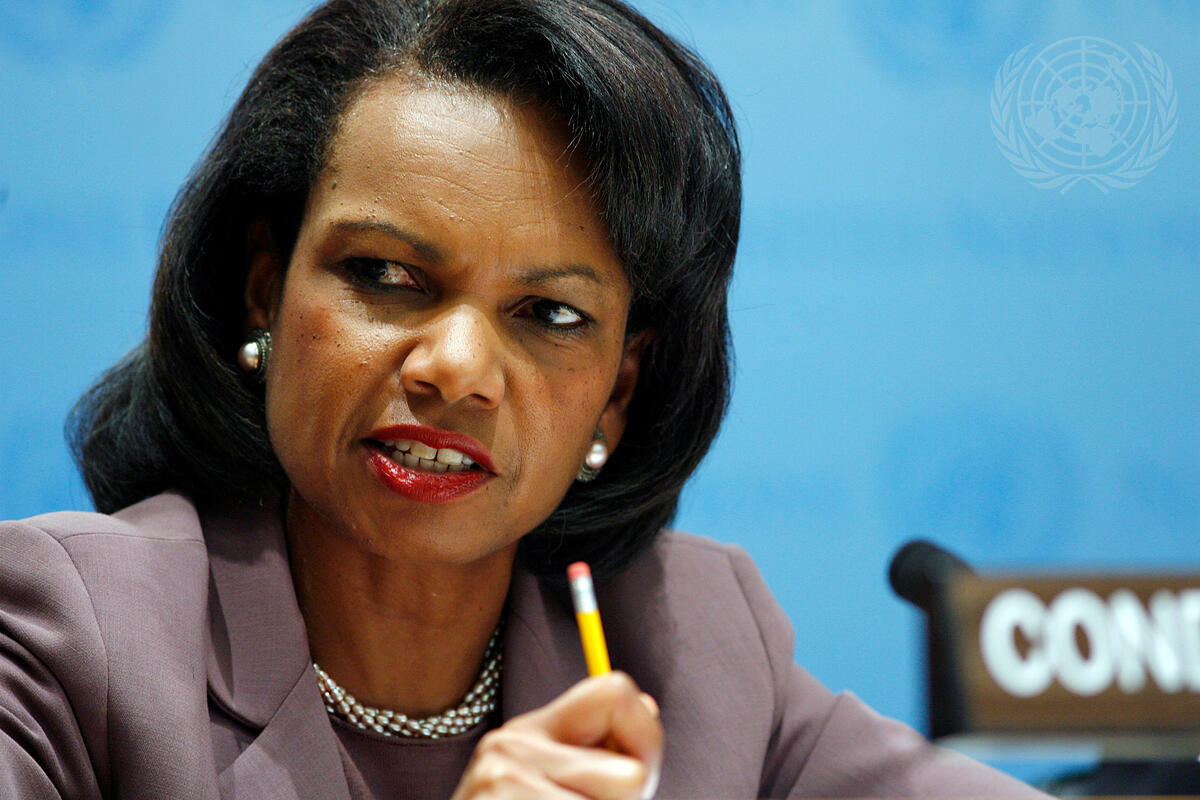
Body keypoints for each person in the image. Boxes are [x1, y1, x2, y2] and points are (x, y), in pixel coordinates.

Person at [0, 1, 1047, 797]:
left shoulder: (692, 647)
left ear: (617, 392)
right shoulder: (72, 638)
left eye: (549, 314)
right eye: (386, 275)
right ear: (265, 292)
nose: (456, 369)